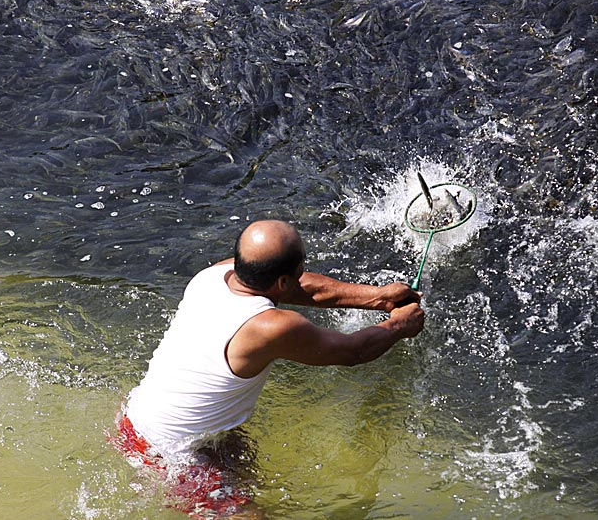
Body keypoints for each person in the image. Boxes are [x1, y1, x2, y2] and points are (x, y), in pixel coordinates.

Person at [113, 219, 424, 516]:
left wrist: (379, 297)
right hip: (169, 458)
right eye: (299, 271)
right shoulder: (270, 327)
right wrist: (399, 325)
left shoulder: (213, 276)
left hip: (133, 422)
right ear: (283, 281)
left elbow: (307, 288)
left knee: (244, 465)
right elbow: (354, 351)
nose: (304, 275)